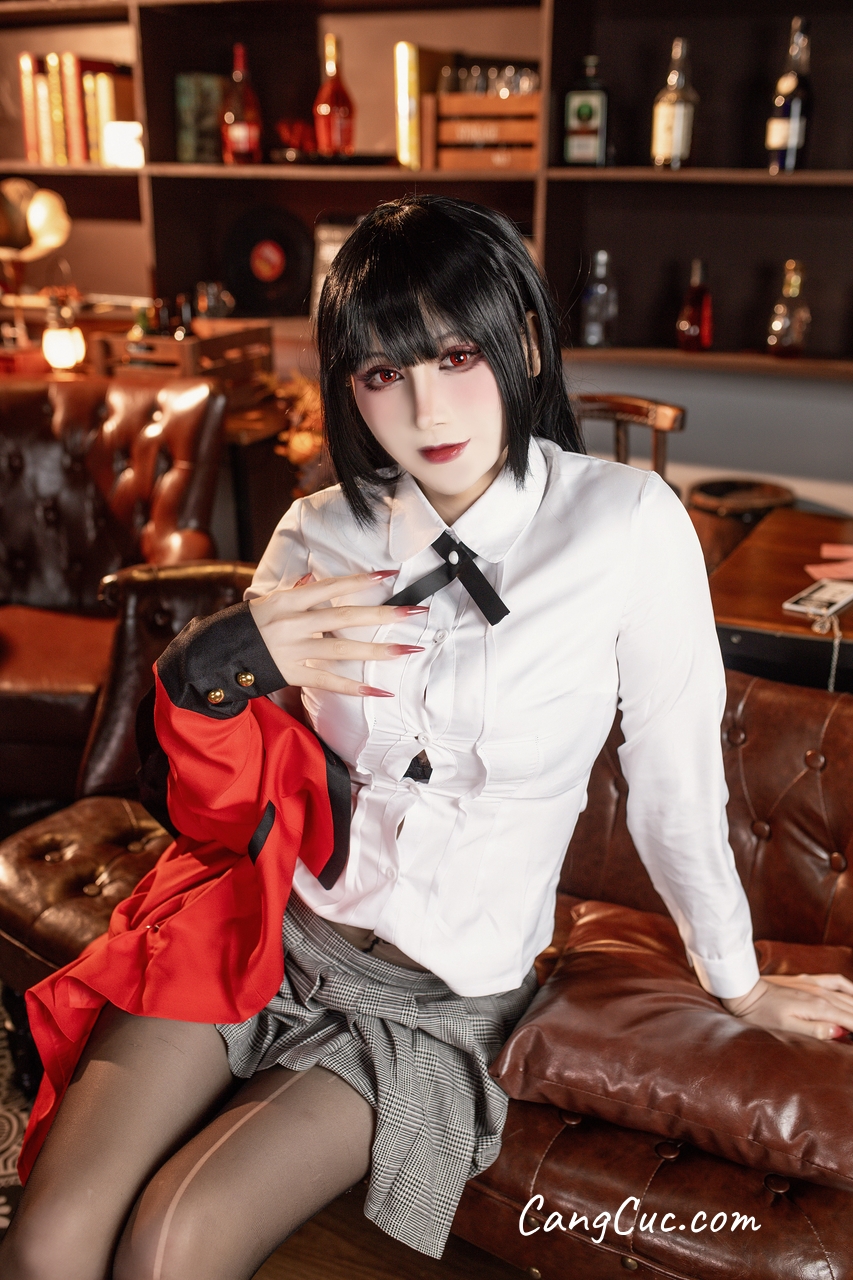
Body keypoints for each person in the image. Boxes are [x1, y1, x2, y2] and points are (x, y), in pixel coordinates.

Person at [3, 194, 853, 1280]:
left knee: (174, 1242)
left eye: (457, 355)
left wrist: (736, 981)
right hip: (266, 927)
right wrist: (215, 671)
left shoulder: (627, 524)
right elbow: (228, 807)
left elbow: (673, 787)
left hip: (440, 997)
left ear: (523, 343)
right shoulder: (316, 533)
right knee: (49, 1238)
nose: (425, 406)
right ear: (350, 388)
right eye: (381, 372)